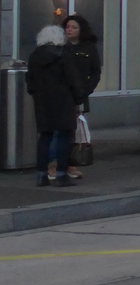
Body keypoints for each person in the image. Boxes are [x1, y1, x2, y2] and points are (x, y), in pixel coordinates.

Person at [26, 25, 85, 187]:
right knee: (65, 137)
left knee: (45, 137)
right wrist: (79, 98)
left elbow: (29, 83)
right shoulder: (63, 55)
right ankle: (61, 174)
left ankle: (41, 175)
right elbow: (74, 80)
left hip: (42, 103)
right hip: (64, 102)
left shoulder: (34, 56)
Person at [59, 13, 101, 179]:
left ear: (81, 30)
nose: (69, 30)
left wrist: (87, 90)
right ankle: (56, 164)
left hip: (80, 95)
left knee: (76, 131)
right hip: (62, 95)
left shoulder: (88, 48)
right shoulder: (61, 47)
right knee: (61, 131)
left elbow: (96, 72)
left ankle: (71, 164)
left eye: (74, 27)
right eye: (67, 27)